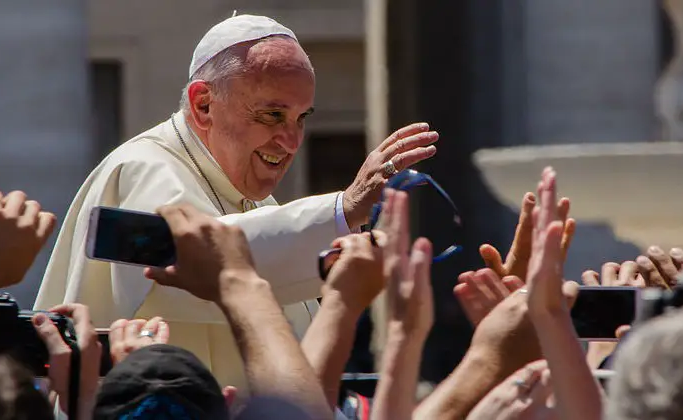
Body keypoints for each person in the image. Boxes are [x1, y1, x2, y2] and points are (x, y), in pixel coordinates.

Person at [34, 13, 439, 391]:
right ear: (203, 105)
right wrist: (343, 209)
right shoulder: (142, 168)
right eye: (272, 115)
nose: (292, 140)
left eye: (301, 118)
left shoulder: (257, 208)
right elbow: (200, 261)